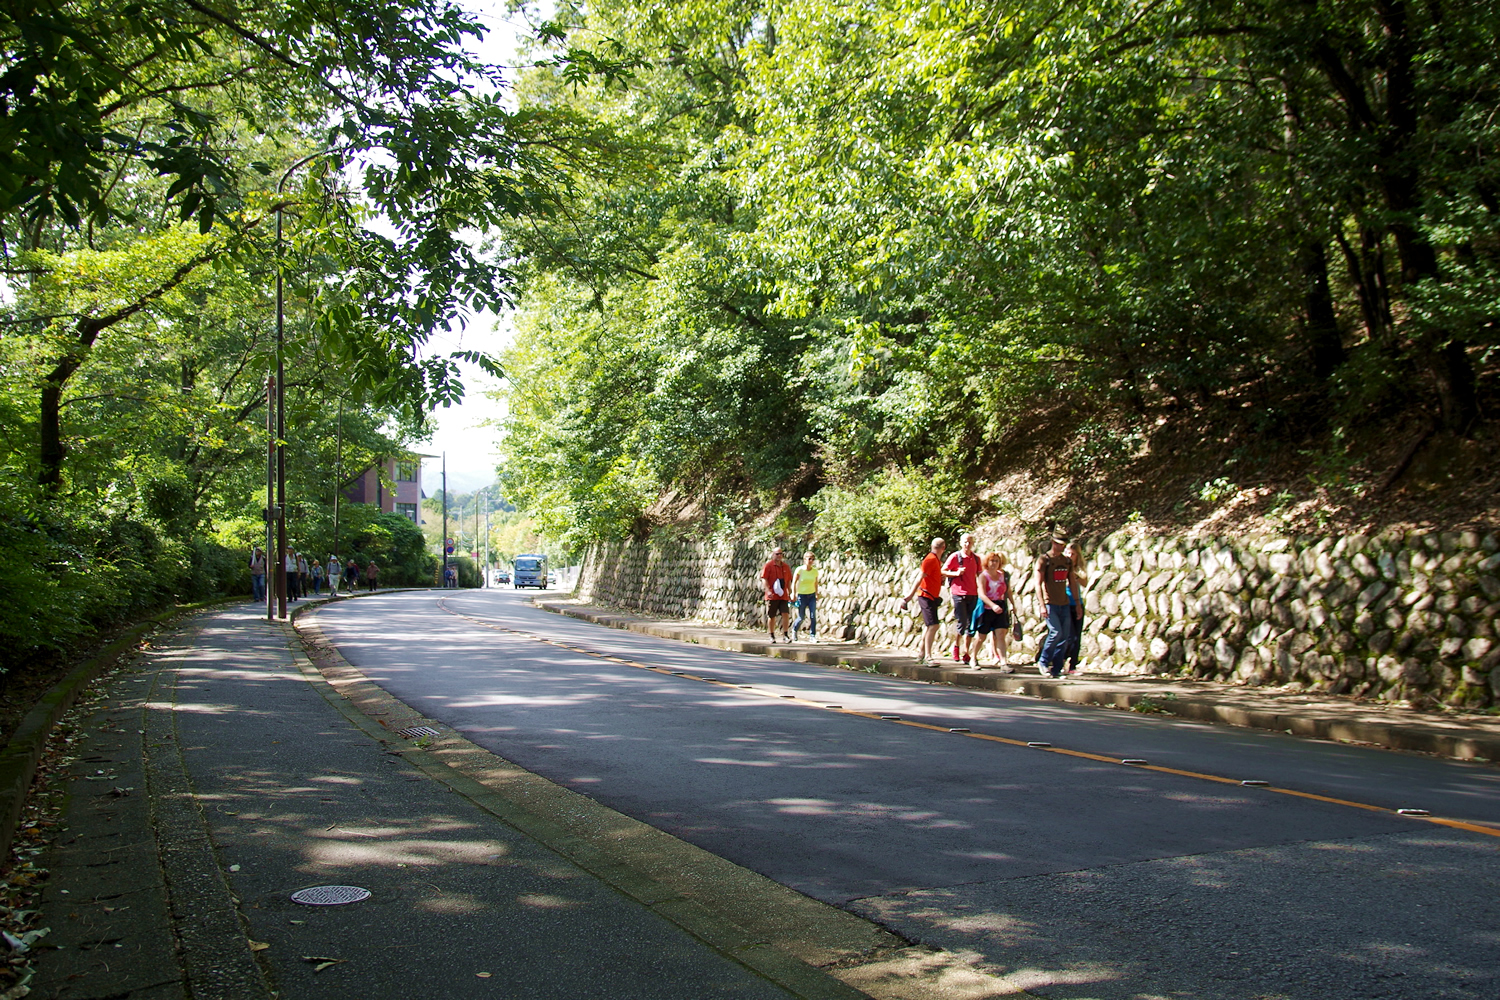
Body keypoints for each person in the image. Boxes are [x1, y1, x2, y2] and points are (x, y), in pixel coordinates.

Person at [1035, 532, 1082, 678]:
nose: (1061, 547)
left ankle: (1057, 667)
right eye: (1059, 544)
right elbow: (1038, 583)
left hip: (1064, 603)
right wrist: (1042, 604)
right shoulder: (1044, 560)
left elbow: (1072, 583)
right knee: (1055, 632)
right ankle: (1043, 661)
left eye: (1063, 545)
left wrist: (1077, 603)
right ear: (1053, 543)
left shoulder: (1066, 562)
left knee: (1064, 636)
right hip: (1050, 603)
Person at [899, 537, 947, 665]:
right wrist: (909, 596)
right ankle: (928, 657)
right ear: (943, 548)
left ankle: (921, 653)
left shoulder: (935, 560)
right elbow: (920, 577)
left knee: (929, 626)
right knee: (934, 625)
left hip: (931, 596)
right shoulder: (930, 559)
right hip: (926, 596)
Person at [942, 533, 983, 664]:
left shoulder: (976, 559)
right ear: (960, 543)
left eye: (970, 542)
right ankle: (956, 647)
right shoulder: (955, 557)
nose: (967, 544)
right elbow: (943, 570)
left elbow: (980, 574)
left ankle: (966, 652)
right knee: (962, 622)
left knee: (970, 625)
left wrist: (983, 589)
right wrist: (956, 573)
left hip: (973, 593)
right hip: (958, 594)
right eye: (965, 542)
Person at [1063, 541, 1090, 675]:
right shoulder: (1060, 567)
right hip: (1064, 604)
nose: (1069, 556)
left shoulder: (1078, 569)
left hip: (1077, 604)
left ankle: (1072, 665)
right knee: (1069, 636)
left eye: (1072, 554)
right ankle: (1061, 661)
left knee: (1076, 636)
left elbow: (1085, 582)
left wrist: (1075, 576)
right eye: (1068, 553)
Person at [761, 546, 793, 643]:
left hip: (783, 595)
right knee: (772, 615)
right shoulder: (768, 566)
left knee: (785, 613)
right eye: (777, 554)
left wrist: (790, 592)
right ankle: (771, 635)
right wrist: (768, 591)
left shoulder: (785, 567)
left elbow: (788, 580)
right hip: (772, 595)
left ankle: (785, 635)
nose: (779, 556)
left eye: (781, 554)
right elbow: (764, 578)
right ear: (773, 555)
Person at [791, 552, 818, 642]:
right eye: (809, 559)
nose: (811, 561)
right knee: (801, 617)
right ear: (804, 559)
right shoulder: (800, 570)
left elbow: (816, 583)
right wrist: (793, 593)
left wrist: (816, 593)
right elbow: (794, 582)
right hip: (802, 596)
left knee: (813, 616)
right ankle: (794, 630)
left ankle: (812, 635)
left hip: (811, 595)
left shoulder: (815, 571)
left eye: (812, 559)